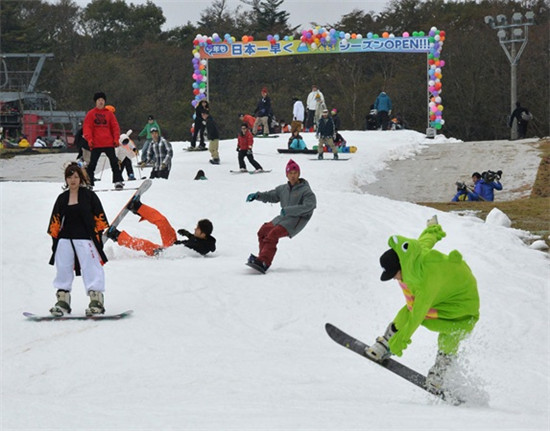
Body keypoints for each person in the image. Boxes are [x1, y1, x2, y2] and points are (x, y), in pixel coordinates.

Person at [365, 216, 479, 395]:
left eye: (394, 274)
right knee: (409, 308)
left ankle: (440, 374)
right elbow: (425, 241)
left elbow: (416, 317)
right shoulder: (412, 256)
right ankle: (385, 342)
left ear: (402, 266)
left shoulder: (426, 283)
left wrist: (400, 342)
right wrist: (433, 229)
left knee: (450, 332)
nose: (395, 278)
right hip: (445, 294)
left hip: (462, 303)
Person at [47, 162, 110, 316]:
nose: (73, 180)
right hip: (65, 239)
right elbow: (55, 219)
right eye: (69, 177)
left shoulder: (89, 196)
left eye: (76, 177)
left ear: (81, 178)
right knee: (63, 268)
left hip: (85, 238)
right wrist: (55, 240)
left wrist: (98, 236)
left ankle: (96, 300)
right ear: (66, 179)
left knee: (91, 267)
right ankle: (62, 300)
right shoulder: (62, 198)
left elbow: (99, 216)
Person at [245, 159, 316, 272]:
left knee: (273, 234)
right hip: (283, 218)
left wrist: (288, 210)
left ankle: (265, 261)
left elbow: (309, 206)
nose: (293, 176)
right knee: (263, 231)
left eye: (295, 173)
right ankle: (261, 258)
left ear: (299, 174)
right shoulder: (283, 189)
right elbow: (271, 196)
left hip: (296, 220)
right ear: (286, 175)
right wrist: (257, 196)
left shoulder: (306, 191)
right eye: (290, 173)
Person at [106, 197, 215, 257]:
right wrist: (189, 235)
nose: (195, 229)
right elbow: (194, 242)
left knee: (145, 245)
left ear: (203, 234)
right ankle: (138, 207)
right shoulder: (204, 240)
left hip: (169, 252)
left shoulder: (203, 248)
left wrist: (163, 252)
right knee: (163, 223)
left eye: (198, 229)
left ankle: (117, 236)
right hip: (173, 244)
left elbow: (191, 249)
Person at [83, 92, 124, 190]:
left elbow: (115, 127)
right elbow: (87, 127)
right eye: (99, 100)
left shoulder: (109, 114)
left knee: (114, 162)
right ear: (95, 102)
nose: (101, 102)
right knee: (92, 164)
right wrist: (89, 139)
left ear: (104, 102)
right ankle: (89, 183)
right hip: (96, 143)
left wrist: (116, 139)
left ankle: (118, 181)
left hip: (108, 143)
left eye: (102, 100)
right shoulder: (91, 114)